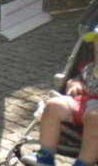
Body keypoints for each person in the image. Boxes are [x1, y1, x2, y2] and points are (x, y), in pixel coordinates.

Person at [20, 24, 98, 166]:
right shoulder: (88, 67)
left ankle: (83, 163)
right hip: (81, 103)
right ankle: (46, 154)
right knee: (53, 105)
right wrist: (73, 83)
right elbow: (76, 79)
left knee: (95, 117)